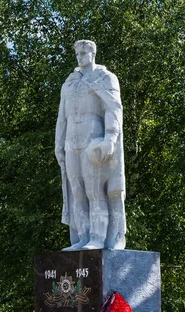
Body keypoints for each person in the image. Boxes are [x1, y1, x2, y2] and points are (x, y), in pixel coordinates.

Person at [55, 40, 126, 251]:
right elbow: (62, 117)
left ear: (93, 54)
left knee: (95, 192)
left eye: (84, 52)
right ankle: (82, 238)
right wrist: (58, 143)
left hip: (93, 141)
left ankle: (97, 238)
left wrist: (110, 139)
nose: (80, 57)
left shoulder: (105, 78)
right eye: (78, 53)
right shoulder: (69, 83)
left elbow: (113, 110)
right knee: (77, 192)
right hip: (71, 142)